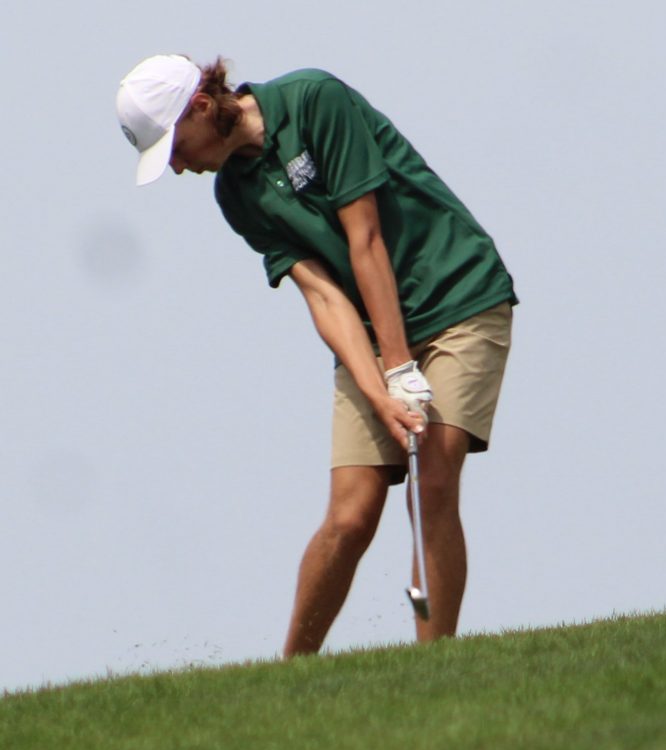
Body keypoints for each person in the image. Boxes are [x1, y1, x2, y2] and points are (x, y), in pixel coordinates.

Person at [116, 54, 517, 656]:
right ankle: (290, 677)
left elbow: (366, 238)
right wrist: (381, 387)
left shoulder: (314, 100)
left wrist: (399, 368)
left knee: (431, 481)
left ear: (201, 107)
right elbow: (325, 296)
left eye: (174, 147)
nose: (176, 166)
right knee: (351, 515)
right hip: (371, 330)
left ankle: (435, 665)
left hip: (458, 297)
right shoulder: (236, 195)